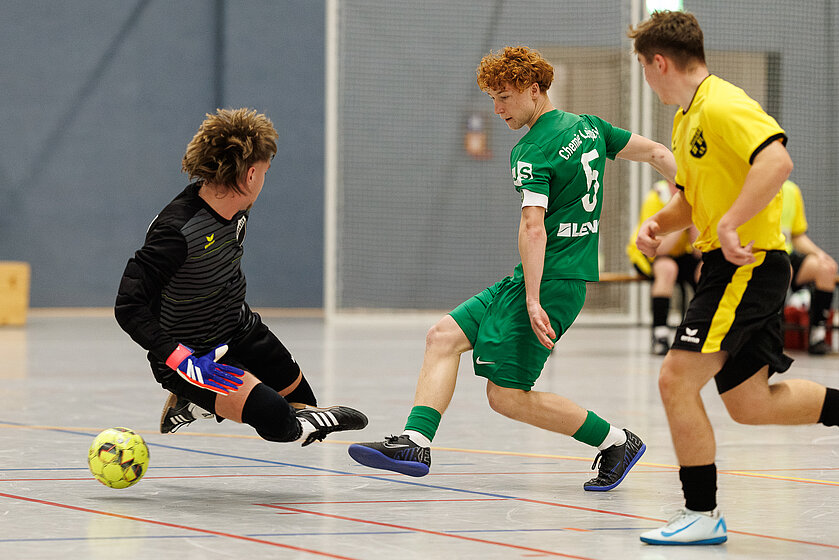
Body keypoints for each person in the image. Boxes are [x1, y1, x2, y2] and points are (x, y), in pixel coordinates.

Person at [348, 46, 677, 491]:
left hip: (550, 281)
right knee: (442, 336)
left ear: (535, 89)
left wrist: (533, 297)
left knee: (506, 397)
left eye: (505, 97)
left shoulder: (531, 151)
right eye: (492, 99)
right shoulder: (590, 127)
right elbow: (658, 152)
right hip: (539, 279)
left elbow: (533, 227)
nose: (498, 109)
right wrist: (688, 198)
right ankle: (414, 440)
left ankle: (617, 441)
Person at [628, 11, 839, 545]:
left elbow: (777, 162)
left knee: (675, 380)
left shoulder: (722, 102)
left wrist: (728, 223)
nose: (646, 81)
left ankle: (701, 514)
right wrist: (661, 223)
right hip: (735, 266)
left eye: (644, 69)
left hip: (747, 265)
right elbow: (696, 200)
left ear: (659, 62)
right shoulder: (686, 117)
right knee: (750, 404)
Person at [115, 108, 367, 447]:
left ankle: (190, 406)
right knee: (279, 422)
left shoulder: (236, 207)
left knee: (304, 404)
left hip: (240, 329)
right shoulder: (176, 232)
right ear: (250, 175)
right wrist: (180, 360)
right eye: (265, 171)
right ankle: (188, 393)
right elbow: (128, 306)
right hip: (192, 357)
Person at [627, 179, 701, 354]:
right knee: (667, 269)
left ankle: (702, 330)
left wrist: (693, 221)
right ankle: (660, 333)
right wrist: (683, 222)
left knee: (706, 270)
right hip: (649, 253)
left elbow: (699, 249)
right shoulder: (656, 198)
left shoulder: (698, 197)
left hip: (682, 252)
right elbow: (659, 248)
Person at [780, 179, 837, 355]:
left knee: (826, 268)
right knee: (782, 271)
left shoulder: (791, 190)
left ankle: (817, 336)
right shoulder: (750, 182)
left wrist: (820, 254)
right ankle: (771, 333)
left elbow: (797, 236)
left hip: (786, 254)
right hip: (760, 255)